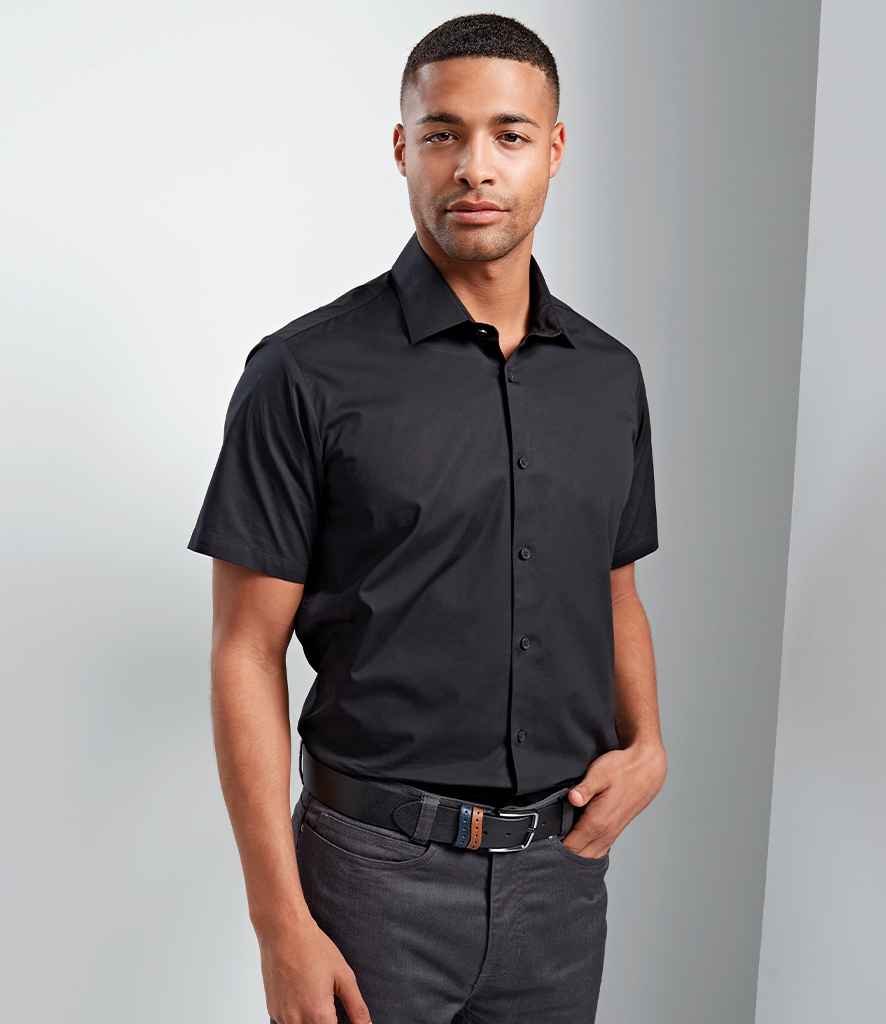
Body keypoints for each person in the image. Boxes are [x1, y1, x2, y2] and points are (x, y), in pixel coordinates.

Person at [187, 12, 667, 1024]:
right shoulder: (302, 373)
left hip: (560, 883)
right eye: (443, 133)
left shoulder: (610, 379)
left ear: (554, 150)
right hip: (371, 881)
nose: (474, 166)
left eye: (509, 134)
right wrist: (279, 925)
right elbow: (244, 649)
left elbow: (614, 589)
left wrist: (649, 743)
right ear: (402, 147)